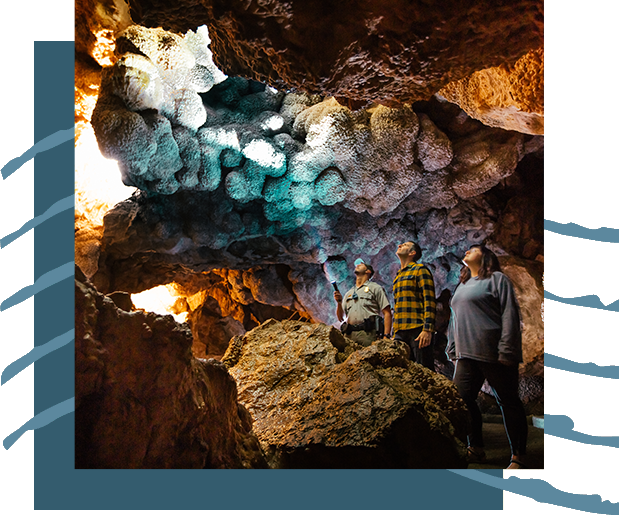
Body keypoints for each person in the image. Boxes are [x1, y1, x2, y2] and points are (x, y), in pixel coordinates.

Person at [446, 244, 527, 469]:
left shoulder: (497, 279)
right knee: (461, 399)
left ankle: (518, 455)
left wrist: (507, 348)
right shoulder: (462, 285)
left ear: (485, 256)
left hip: (493, 352)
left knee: (508, 401)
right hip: (466, 354)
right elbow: (455, 318)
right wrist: (452, 346)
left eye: (473, 249)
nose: (467, 251)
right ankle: (476, 447)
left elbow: (510, 313)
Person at [392, 241, 436, 371]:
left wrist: (427, 329)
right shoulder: (398, 276)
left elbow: (429, 300)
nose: (400, 245)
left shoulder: (420, 270)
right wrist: (395, 333)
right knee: (403, 371)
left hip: (417, 329)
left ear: (412, 253)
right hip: (400, 331)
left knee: (424, 370)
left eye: (405, 245)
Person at [333, 261, 392, 347]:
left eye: (361, 265)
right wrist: (339, 303)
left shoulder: (376, 288)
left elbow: (387, 313)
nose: (357, 265)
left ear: (368, 271)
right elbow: (340, 317)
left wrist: (386, 336)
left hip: (368, 335)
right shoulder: (348, 293)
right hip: (350, 336)